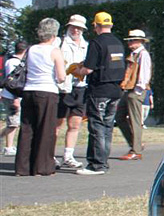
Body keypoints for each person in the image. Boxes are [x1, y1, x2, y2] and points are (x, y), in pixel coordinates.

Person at [73, 12, 125, 176]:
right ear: (110, 25)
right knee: (107, 127)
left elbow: (88, 69)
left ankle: (96, 164)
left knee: (96, 126)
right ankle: (103, 161)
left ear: (96, 25)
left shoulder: (96, 43)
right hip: (115, 90)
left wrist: (76, 70)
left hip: (99, 90)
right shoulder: (117, 43)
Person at [15, 18, 67, 176]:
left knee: (27, 129)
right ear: (54, 34)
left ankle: (22, 167)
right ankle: (43, 167)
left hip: (29, 90)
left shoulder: (31, 49)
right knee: (46, 130)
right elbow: (61, 76)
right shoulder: (54, 51)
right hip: (47, 91)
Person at [54, 14, 89, 169]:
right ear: (68, 27)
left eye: (79, 28)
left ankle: (68, 155)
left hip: (80, 88)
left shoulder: (86, 45)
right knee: (57, 124)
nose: (76, 30)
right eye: (73, 27)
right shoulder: (59, 43)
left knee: (75, 124)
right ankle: (50, 155)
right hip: (62, 88)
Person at [115, 29, 152, 161]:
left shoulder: (143, 54)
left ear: (140, 41)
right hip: (130, 90)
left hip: (136, 91)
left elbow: (144, 74)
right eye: (130, 40)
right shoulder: (134, 54)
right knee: (119, 117)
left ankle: (136, 150)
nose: (130, 42)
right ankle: (135, 144)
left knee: (135, 120)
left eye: (133, 40)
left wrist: (138, 90)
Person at [1, 41, 27, 156]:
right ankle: (9, 146)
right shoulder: (14, 63)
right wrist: (16, 98)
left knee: (14, 122)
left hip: (11, 95)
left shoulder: (10, 61)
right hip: (12, 95)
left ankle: (7, 143)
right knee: (13, 123)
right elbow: (13, 83)